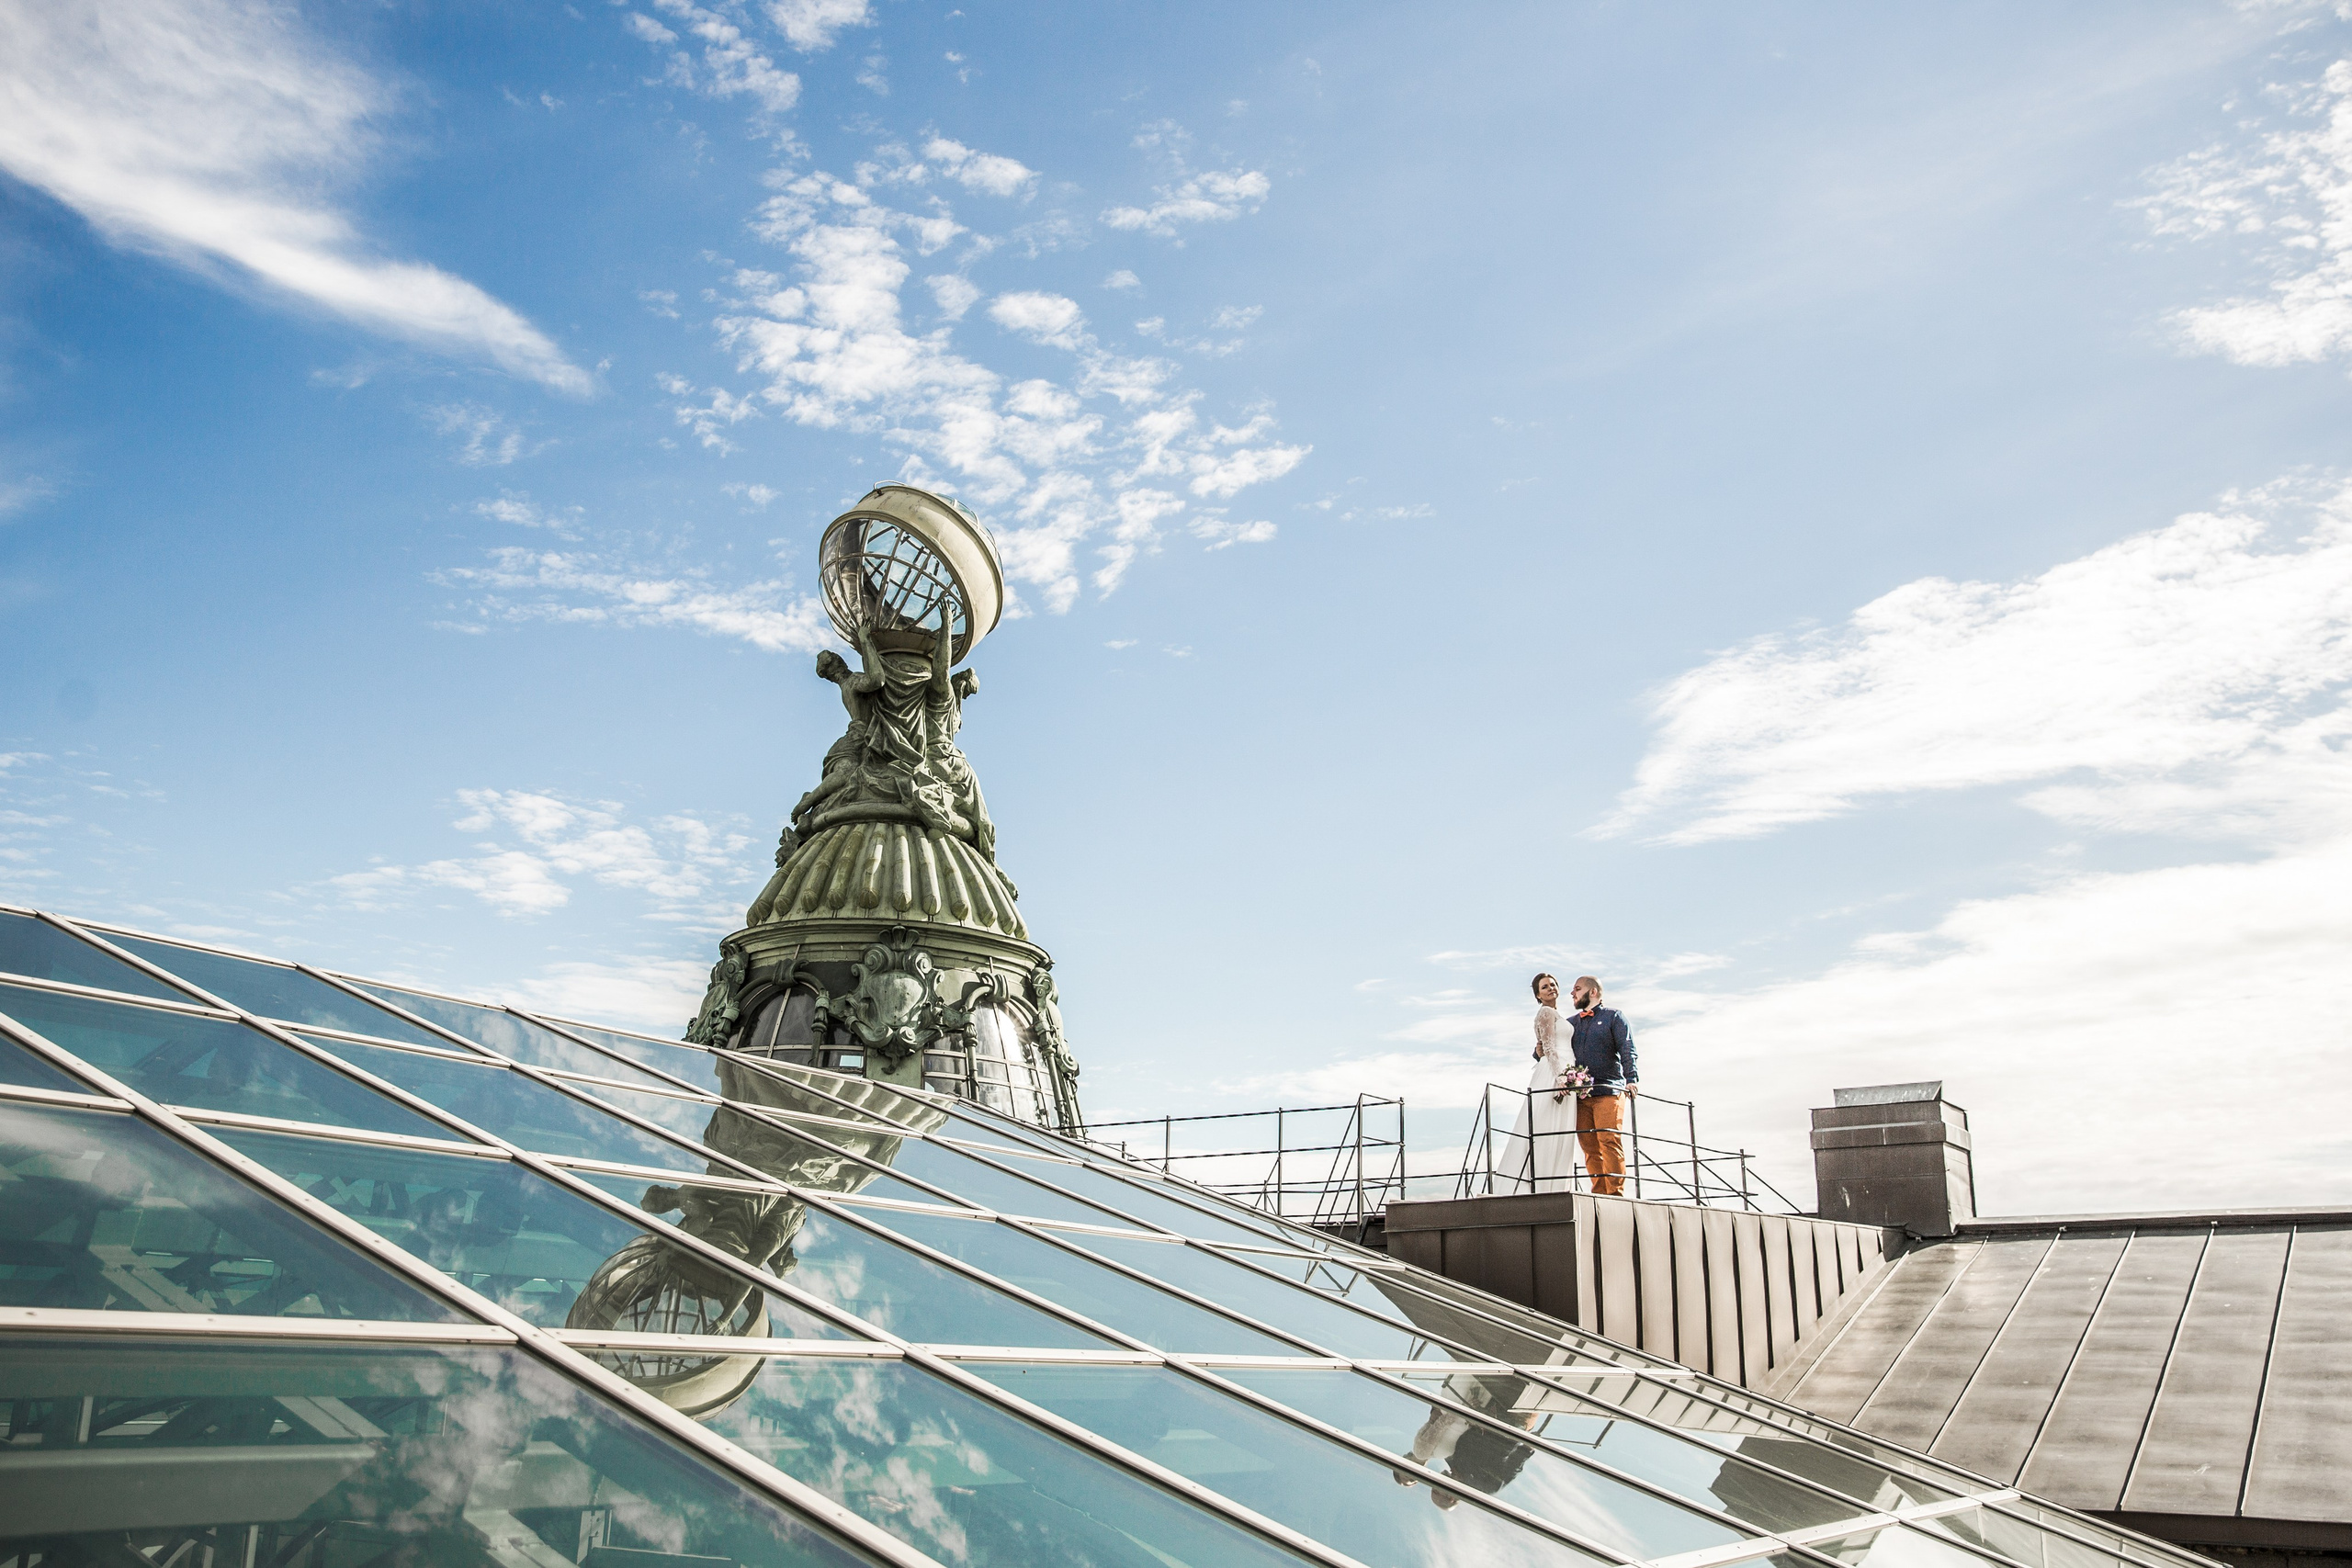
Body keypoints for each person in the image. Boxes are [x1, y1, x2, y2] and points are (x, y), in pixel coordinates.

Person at [1498, 973, 1579, 1193]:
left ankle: (1556, 1184)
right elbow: (1550, 1048)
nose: (1551, 988)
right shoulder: (1545, 1012)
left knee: (1561, 1128)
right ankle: (1542, 1185)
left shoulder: (1557, 1014)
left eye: (1553, 984)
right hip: (1555, 1073)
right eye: (1545, 987)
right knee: (1546, 1125)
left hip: (1566, 1072)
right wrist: (1561, 1077)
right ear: (1538, 994)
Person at [1566, 976, 1638, 1196]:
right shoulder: (1571, 1023)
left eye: (1577, 989)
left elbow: (1627, 1048)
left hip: (1609, 1090)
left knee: (1609, 1139)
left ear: (1593, 992)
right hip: (1581, 1095)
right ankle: (1599, 1193)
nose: (1572, 994)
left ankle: (1615, 1194)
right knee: (1588, 1145)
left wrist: (1631, 1079)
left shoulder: (1614, 1017)